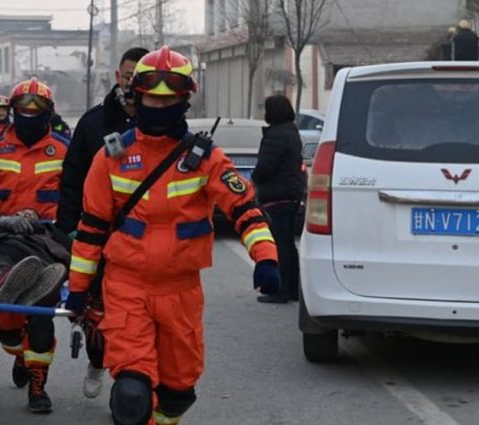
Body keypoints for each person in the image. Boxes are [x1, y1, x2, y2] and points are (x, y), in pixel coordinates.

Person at [65, 46, 281, 425]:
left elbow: (244, 210)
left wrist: (266, 257)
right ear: (137, 96)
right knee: (132, 395)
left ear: (184, 100)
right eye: (152, 97)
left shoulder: (205, 159)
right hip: (126, 286)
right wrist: (79, 287)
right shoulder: (111, 157)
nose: (160, 106)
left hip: (181, 291)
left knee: (178, 392)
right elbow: (92, 229)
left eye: (169, 99)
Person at [56, 46, 150, 399]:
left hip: (143, 245)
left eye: (140, 79)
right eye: (129, 77)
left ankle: (130, 392)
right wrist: (67, 229)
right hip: (97, 235)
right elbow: (71, 178)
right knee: (97, 315)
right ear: (118, 77)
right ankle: (97, 360)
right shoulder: (94, 123)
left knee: (136, 319)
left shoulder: (159, 124)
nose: (133, 84)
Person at [0, 77, 70, 414]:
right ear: (14, 112)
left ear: (48, 113)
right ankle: (15, 343)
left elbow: (76, 200)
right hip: (3, 233)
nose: (30, 115)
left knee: (41, 306)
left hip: (46, 237)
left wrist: (43, 216)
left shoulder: (63, 150)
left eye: (38, 110)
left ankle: (38, 384)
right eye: (23, 110)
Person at [251, 95, 307, 305]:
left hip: (278, 195)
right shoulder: (290, 131)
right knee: (288, 244)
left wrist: (255, 179)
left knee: (280, 244)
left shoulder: (276, 135)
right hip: (291, 193)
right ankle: (293, 288)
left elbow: (265, 167)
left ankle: (281, 290)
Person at [0, 209, 71, 306]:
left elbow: (72, 251)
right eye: (20, 213)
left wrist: (40, 229)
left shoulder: (48, 230)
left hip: (36, 252)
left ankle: (39, 288)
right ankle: (3, 284)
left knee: (46, 267)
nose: (24, 216)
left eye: (30, 215)